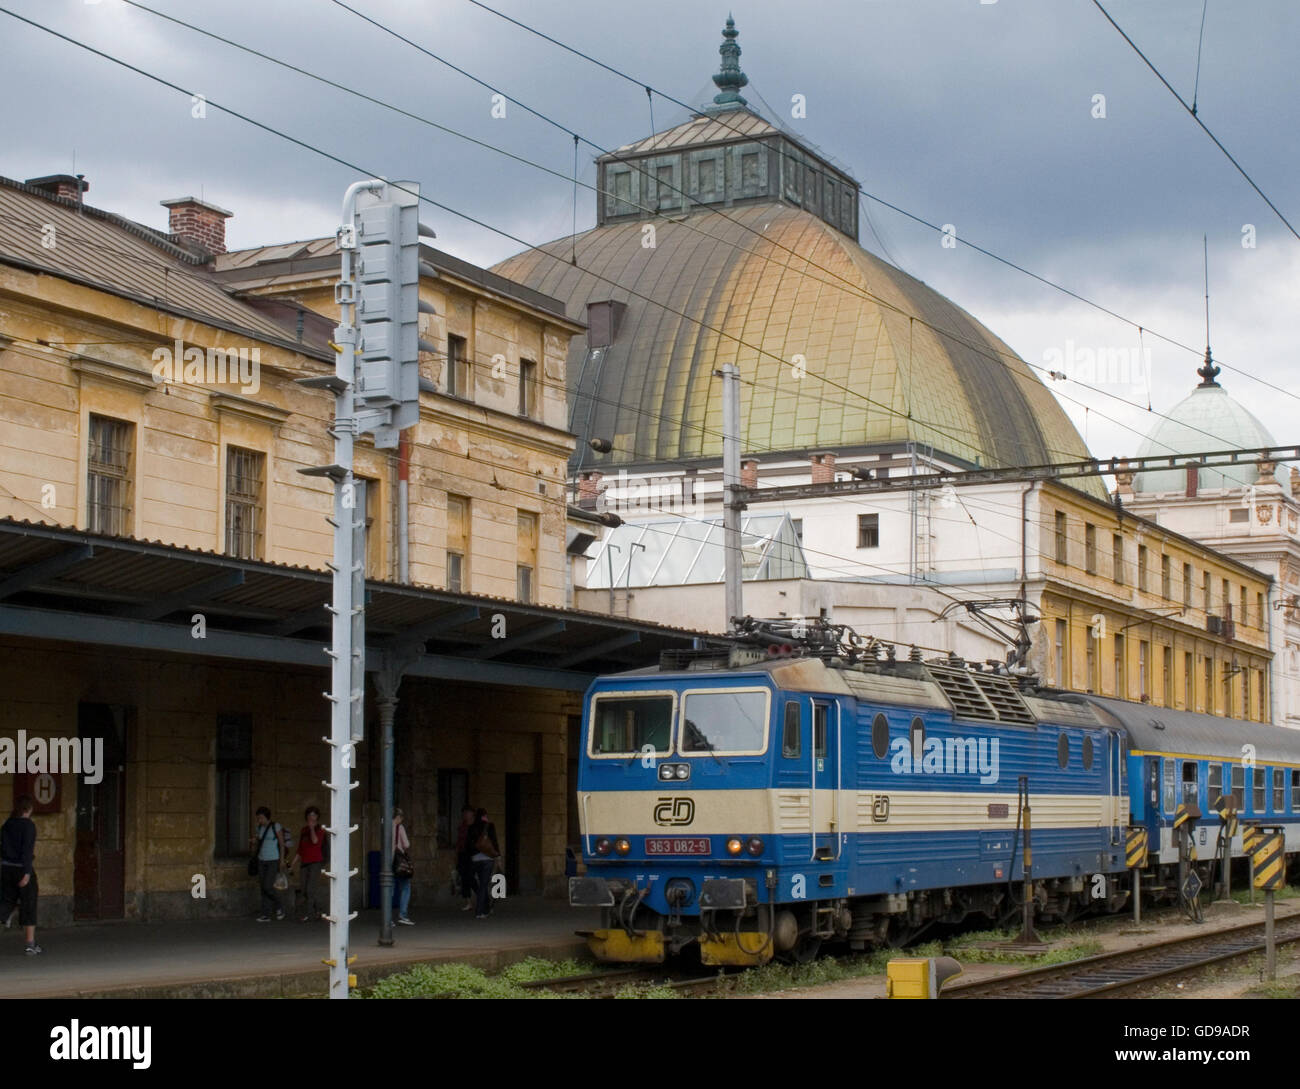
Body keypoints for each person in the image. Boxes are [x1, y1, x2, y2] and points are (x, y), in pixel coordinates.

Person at [0, 795, 40, 955]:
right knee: (29, 903)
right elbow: (27, 850)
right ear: (28, 809)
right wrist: (27, 873)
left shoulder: (7, 824)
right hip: (22, 868)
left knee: (6, 901)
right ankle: (30, 944)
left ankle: (6, 917)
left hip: (6, 868)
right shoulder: (28, 826)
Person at [286, 806, 326, 921]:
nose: (311, 817)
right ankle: (318, 911)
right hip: (304, 863)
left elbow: (315, 841)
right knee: (304, 889)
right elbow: (300, 850)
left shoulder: (320, 830)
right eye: (309, 815)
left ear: (317, 817)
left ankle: (308, 914)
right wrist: (292, 864)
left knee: (310, 889)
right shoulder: (303, 830)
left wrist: (312, 829)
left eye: (313, 815)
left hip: (315, 863)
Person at [250, 806, 287, 921]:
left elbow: (282, 844)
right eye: (258, 818)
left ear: (267, 817)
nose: (259, 820)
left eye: (261, 818)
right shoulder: (259, 828)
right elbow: (258, 841)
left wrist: (281, 860)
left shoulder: (276, 826)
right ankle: (265, 914)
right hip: (262, 860)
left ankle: (279, 906)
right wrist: (254, 842)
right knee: (263, 887)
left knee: (268, 886)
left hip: (273, 860)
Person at [467, 807, 501, 919]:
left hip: (475, 859)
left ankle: (484, 908)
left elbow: (468, 844)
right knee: (483, 885)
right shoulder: (490, 826)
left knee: (480, 884)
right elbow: (494, 841)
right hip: (488, 859)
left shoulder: (471, 827)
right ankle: (480, 911)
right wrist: (498, 856)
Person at [392, 808, 413, 925]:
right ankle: (403, 914)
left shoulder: (386, 826)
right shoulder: (399, 827)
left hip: (388, 862)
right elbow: (406, 844)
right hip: (399, 862)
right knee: (405, 887)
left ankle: (388, 918)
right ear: (398, 817)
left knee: (389, 889)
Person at [455, 805, 477, 911]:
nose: (465, 815)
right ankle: (468, 902)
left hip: (472, 855)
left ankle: (482, 896)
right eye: (464, 813)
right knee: (464, 878)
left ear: (472, 814)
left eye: (467, 813)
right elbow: (459, 840)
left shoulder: (475, 826)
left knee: (470, 877)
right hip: (462, 854)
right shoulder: (462, 826)